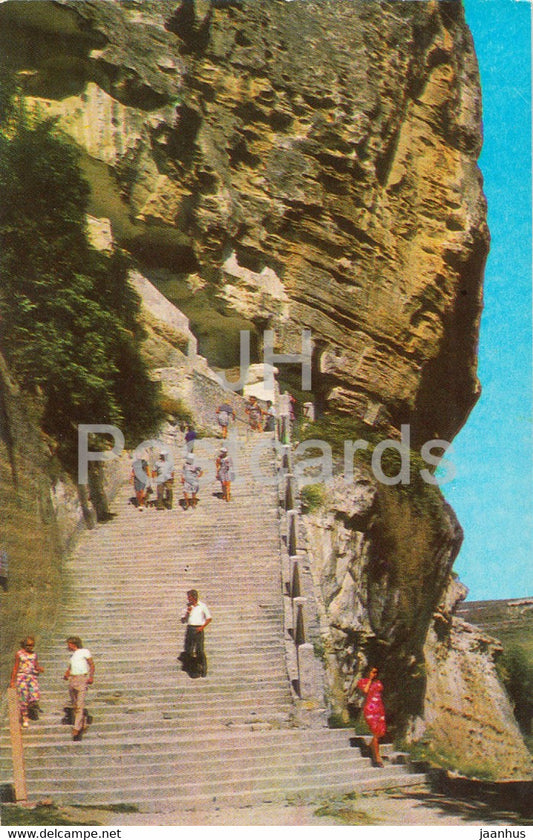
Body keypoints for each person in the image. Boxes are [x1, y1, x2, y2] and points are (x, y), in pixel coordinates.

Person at [63, 636, 95, 742]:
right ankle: (82, 722)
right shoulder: (72, 657)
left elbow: (91, 664)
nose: (68, 646)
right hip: (73, 679)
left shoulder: (84, 651)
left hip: (82, 678)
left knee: (80, 705)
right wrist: (66, 674)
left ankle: (76, 728)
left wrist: (91, 677)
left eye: (69, 644)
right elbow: (69, 668)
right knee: (75, 704)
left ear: (73, 644)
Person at [10, 636, 44, 728]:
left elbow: (36, 665)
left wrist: (39, 669)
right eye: (28, 645)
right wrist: (13, 681)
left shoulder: (34, 654)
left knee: (35, 695)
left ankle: (30, 707)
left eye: (32, 645)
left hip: (32, 676)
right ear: (24, 645)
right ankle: (25, 717)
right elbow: (15, 667)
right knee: (23, 697)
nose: (30, 647)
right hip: (22, 676)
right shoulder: (19, 654)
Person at [357, 666, 386, 767]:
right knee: (375, 732)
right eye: (373, 672)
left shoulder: (378, 682)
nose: (375, 674)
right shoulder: (363, 681)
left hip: (379, 709)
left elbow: (380, 693)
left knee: (380, 732)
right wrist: (369, 679)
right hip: (370, 709)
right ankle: (377, 758)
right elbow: (365, 691)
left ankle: (371, 747)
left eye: (376, 672)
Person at [180, 589, 212, 678]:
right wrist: (187, 613)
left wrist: (201, 627)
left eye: (189, 597)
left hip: (199, 629)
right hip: (190, 629)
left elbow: (209, 618)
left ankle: (203, 667)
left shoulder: (202, 606)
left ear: (193, 597)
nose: (188, 599)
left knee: (199, 650)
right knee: (189, 650)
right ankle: (193, 669)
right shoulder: (187, 607)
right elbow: (183, 620)